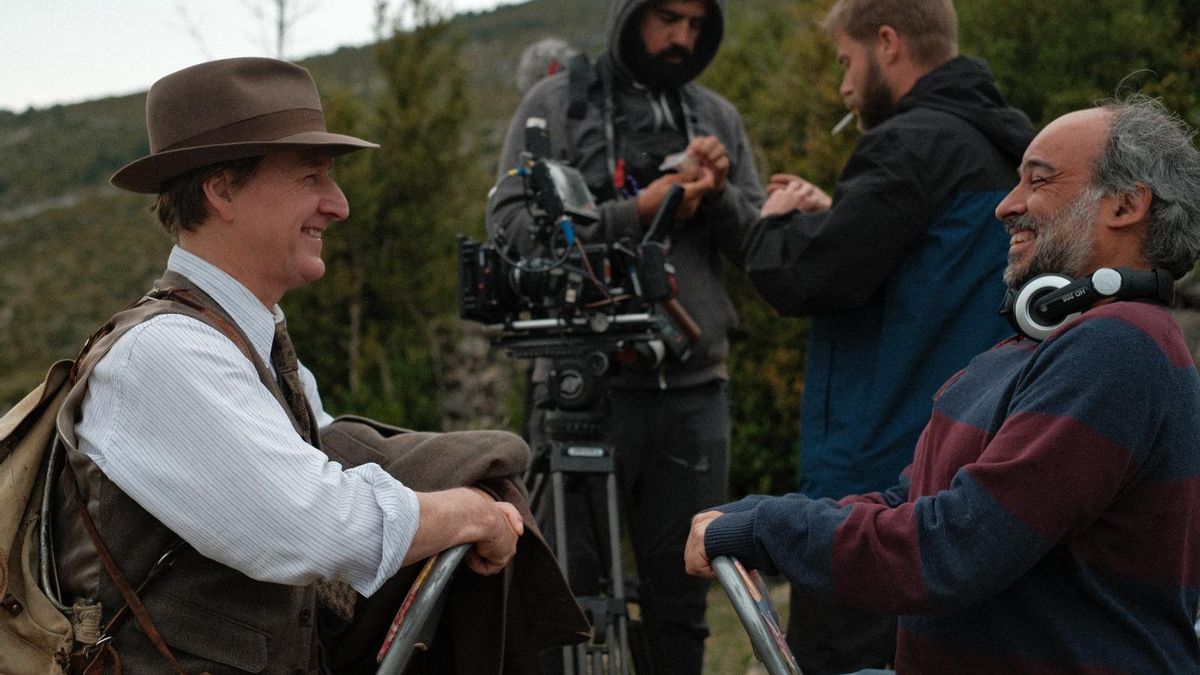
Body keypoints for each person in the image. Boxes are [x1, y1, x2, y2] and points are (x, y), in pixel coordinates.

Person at [687, 95, 1200, 674]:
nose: (1007, 206)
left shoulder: (1118, 347)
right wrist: (758, 515)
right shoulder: (1045, 347)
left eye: (1038, 181)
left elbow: (955, 548)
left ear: (1126, 204)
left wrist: (767, 529)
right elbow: (910, 504)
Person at [50, 57, 531, 673]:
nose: (339, 205)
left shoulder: (247, 345)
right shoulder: (166, 355)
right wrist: (471, 511)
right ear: (222, 190)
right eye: (311, 177)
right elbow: (316, 527)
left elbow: (323, 467)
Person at [739, 1, 1034, 670]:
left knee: (843, 656)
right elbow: (923, 265)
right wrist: (838, 215)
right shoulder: (1012, 147)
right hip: (973, 455)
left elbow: (811, 277)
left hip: (878, 474)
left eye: (847, 62)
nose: (845, 86)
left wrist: (775, 222)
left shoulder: (908, 143)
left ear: (888, 43)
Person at [486, 0, 763, 671]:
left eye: (696, 25)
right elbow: (511, 231)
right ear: (629, 14)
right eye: (667, 17)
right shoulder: (555, 105)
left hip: (693, 389)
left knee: (685, 599)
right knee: (564, 600)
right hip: (582, 388)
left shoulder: (717, 117)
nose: (682, 36)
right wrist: (639, 209)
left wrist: (719, 191)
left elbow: (760, 247)